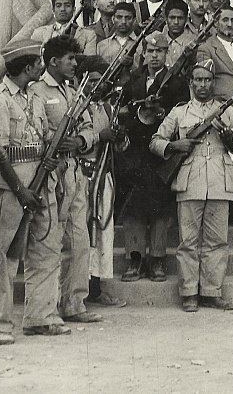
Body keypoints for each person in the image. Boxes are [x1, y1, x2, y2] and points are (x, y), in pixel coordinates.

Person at [0, 40, 69, 342]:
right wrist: (21, 190)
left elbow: (45, 133)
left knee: (46, 251)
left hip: (42, 181)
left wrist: (53, 156)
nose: (41, 65)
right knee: (7, 257)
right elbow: (0, 150)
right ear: (25, 67)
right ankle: (1, 325)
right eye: (37, 62)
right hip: (14, 188)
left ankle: (40, 317)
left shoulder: (34, 96)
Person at [150, 59, 233, 312]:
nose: (203, 85)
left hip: (219, 182)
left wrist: (229, 140)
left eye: (208, 80)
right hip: (189, 183)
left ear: (214, 82)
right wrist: (174, 146)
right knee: (188, 242)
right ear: (191, 83)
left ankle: (212, 291)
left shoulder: (227, 110)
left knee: (217, 241)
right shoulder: (179, 112)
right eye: (198, 80)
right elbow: (155, 140)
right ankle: (189, 292)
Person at [30, 36, 99, 324]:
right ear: (54, 61)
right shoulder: (37, 91)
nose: (74, 63)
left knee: (80, 242)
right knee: (50, 244)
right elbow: (33, 130)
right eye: (70, 59)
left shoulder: (73, 92)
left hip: (75, 173)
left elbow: (91, 128)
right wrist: (55, 142)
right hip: (52, 175)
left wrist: (81, 140)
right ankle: (45, 309)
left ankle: (74, 303)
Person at [118, 32, 186, 283]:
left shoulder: (177, 82)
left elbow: (182, 113)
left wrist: (161, 112)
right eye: (150, 51)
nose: (155, 56)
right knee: (134, 207)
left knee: (160, 206)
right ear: (143, 53)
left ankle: (157, 259)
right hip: (136, 151)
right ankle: (134, 258)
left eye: (160, 51)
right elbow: (122, 110)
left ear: (167, 53)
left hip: (162, 152)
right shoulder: (133, 79)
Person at [196, 4, 233, 229]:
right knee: (223, 160)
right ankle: (222, 213)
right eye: (225, 20)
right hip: (219, 109)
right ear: (215, 21)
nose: (229, 24)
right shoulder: (207, 47)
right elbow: (201, 79)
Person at [78, 57, 127, 309]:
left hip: (103, 177)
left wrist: (118, 137)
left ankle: (95, 289)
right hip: (82, 177)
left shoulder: (107, 108)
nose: (97, 86)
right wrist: (99, 136)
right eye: (92, 81)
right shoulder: (76, 107)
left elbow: (120, 146)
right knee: (81, 235)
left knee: (102, 234)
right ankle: (76, 292)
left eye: (101, 81)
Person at [31, 0, 97, 55]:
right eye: (58, 6)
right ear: (53, 9)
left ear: (74, 9)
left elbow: (89, 62)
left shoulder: (88, 35)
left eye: (67, 5)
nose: (63, 9)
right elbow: (35, 61)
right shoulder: (38, 33)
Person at [97, 2, 141, 71]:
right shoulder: (101, 46)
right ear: (113, 19)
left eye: (128, 18)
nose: (123, 21)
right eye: (119, 17)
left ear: (134, 20)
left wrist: (132, 64)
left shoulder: (141, 45)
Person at [163, 0, 196, 68]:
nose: (176, 22)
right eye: (172, 18)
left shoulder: (193, 43)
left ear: (186, 19)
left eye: (180, 18)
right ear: (166, 18)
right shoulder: (159, 41)